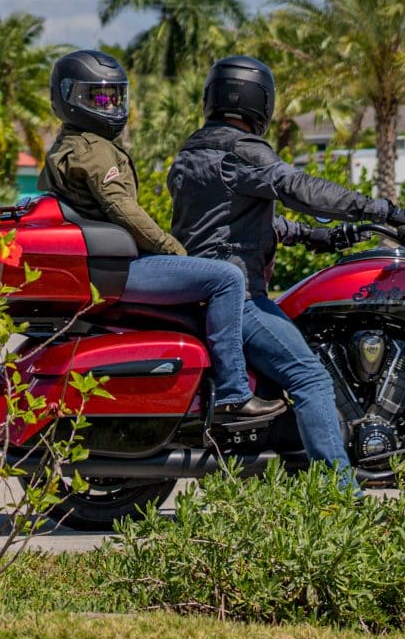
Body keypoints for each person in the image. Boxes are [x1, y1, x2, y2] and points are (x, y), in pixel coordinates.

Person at [167, 55, 403, 478]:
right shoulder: (242, 151)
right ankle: (341, 490)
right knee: (310, 377)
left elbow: (232, 222)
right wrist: (379, 209)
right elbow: (298, 187)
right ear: (262, 102)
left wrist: (319, 236)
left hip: (199, 287)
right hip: (238, 296)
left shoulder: (194, 150)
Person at [40, 50, 280, 426]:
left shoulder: (66, 146)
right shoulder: (96, 152)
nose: (109, 106)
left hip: (102, 266)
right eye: (97, 97)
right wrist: (174, 249)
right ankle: (234, 392)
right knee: (226, 278)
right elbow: (123, 210)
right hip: (115, 269)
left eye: (114, 96)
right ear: (67, 96)